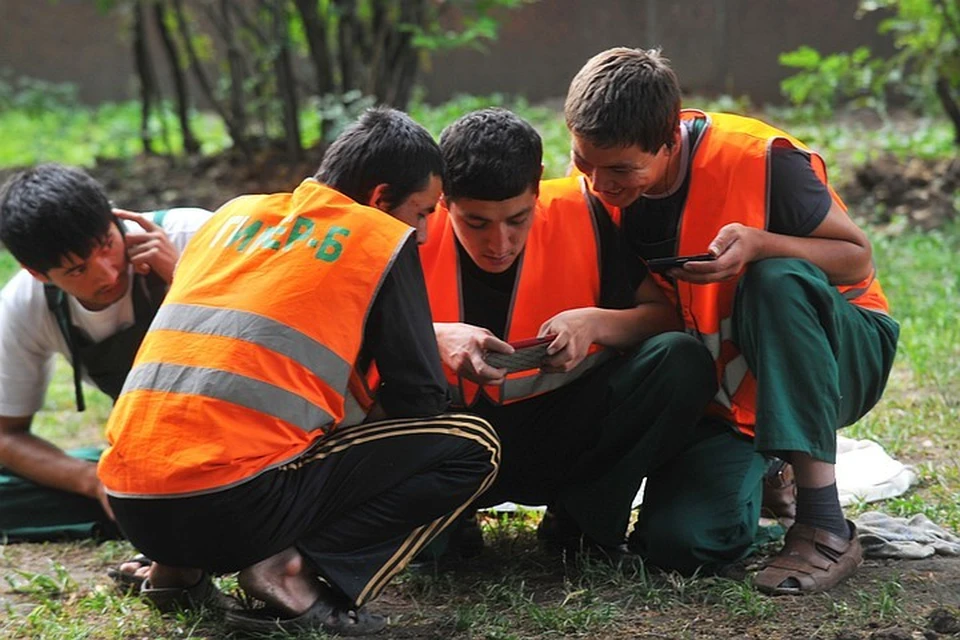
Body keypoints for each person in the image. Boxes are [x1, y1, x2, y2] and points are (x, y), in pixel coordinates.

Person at [97, 107, 500, 635]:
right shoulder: (376, 236)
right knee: (472, 444)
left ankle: (175, 572)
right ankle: (290, 571)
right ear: (380, 200)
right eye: (422, 212)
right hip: (234, 511)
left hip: (131, 506)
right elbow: (420, 395)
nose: (424, 232)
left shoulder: (229, 218)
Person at [564, 47, 899, 594]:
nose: (600, 184)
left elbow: (857, 258)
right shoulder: (598, 189)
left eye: (622, 169)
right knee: (684, 544)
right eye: (585, 161)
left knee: (777, 279)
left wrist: (761, 244)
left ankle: (824, 523)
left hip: (840, 351)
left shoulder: (760, 160)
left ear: (670, 140)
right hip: (723, 389)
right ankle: (772, 468)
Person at [419, 107, 717, 560]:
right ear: (443, 197)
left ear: (538, 182)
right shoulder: (407, 230)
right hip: (448, 441)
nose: (499, 244)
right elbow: (347, 333)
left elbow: (667, 319)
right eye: (476, 223)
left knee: (679, 358)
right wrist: (433, 335)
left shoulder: (583, 213)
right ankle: (445, 524)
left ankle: (582, 521)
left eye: (517, 219)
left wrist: (595, 322)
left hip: (561, 433)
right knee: (431, 558)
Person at [0, 163, 211, 541]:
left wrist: (182, 279)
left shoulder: (191, 234)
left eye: (107, 246)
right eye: (78, 270)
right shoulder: (24, 304)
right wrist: (93, 481)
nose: (108, 274)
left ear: (115, 217)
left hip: (254, 438)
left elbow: (278, 338)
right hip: (155, 457)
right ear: (38, 273)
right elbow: (5, 435)